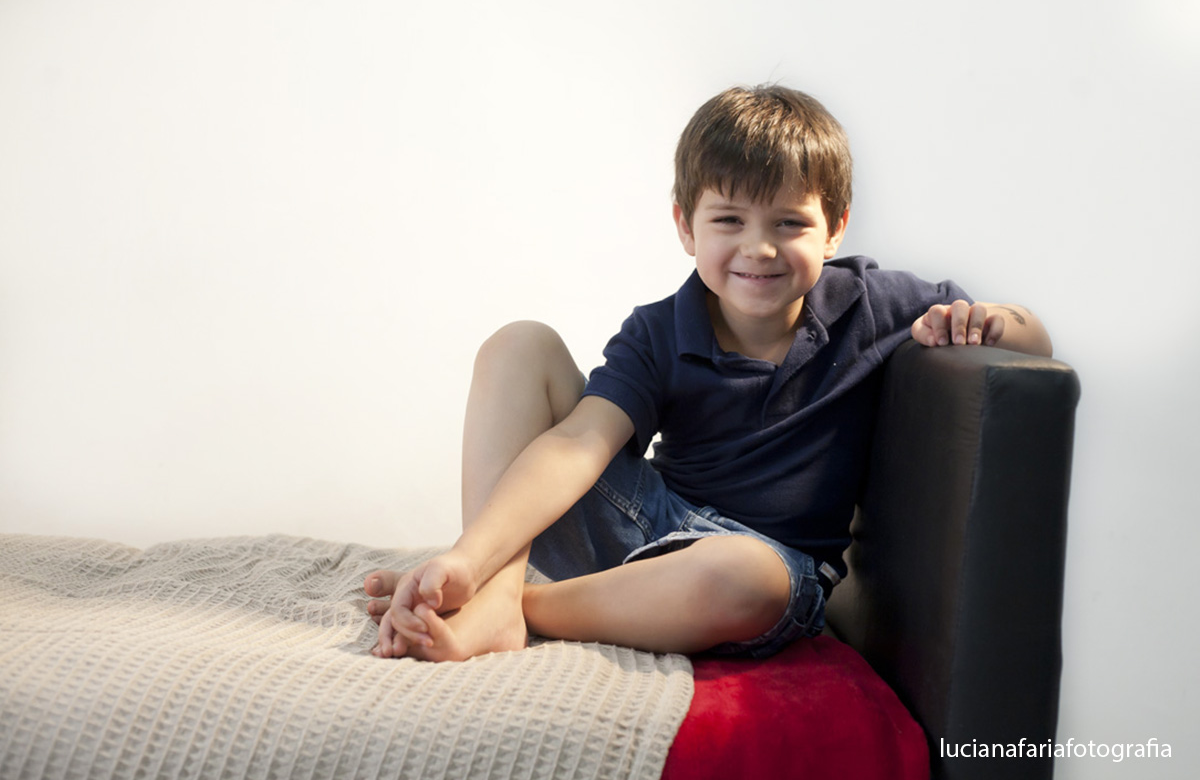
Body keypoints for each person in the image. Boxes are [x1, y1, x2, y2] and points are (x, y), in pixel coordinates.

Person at [364, 84, 1053, 662]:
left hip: (764, 563)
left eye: (790, 222)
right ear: (686, 227)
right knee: (521, 344)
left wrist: (989, 319)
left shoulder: (874, 305)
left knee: (743, 574)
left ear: (835, 228)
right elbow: (579, 446)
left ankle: (523, 607)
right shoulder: (662, 328)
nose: (759, 248)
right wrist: (467, 556)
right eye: (729, 219)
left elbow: (1034, 339)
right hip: (647, 524)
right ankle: (486, 581)